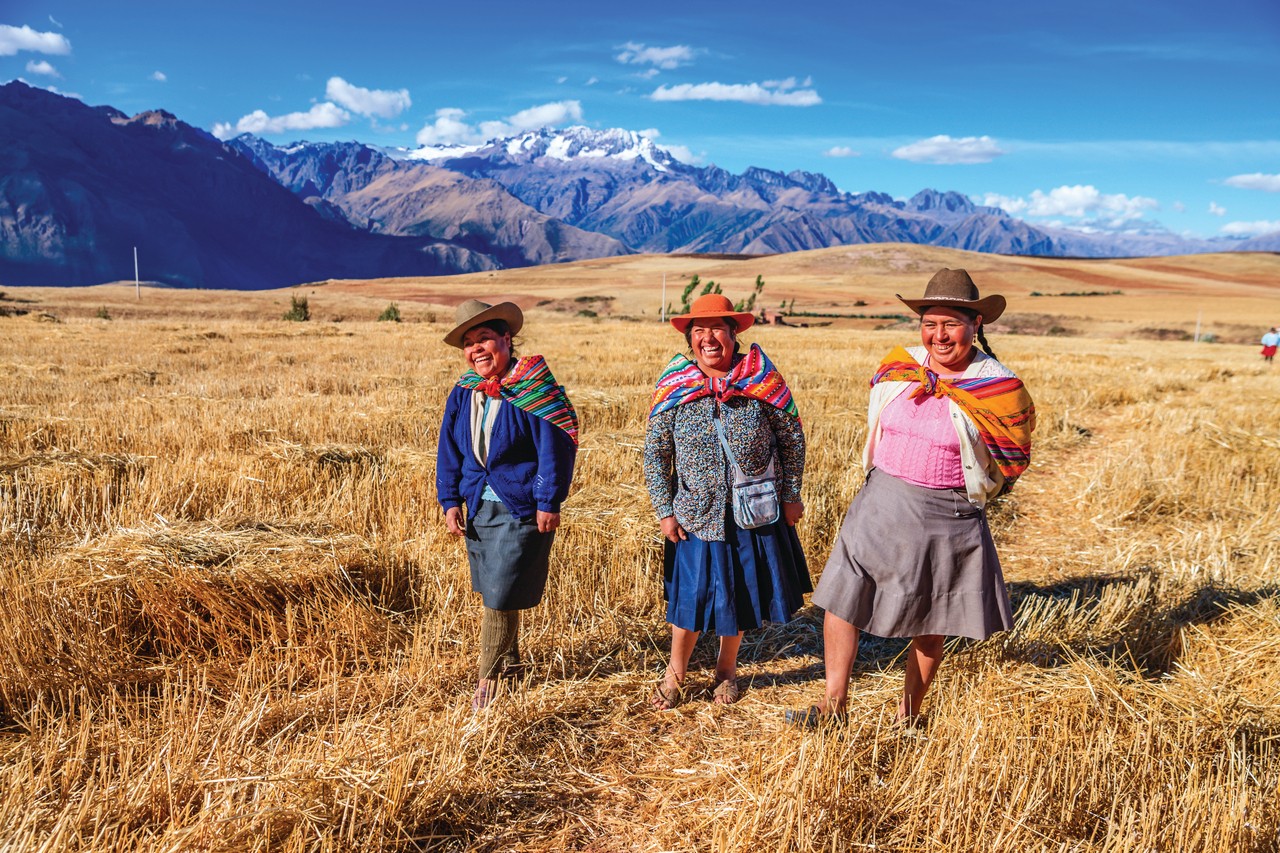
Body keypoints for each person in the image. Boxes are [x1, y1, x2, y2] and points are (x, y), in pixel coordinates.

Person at [789, 269, 1035, 729]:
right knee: (843, 600)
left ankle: (909, 714)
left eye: (950, 324)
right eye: (930, 323)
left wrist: (975, 493)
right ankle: (833, 703)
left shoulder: (997, 388)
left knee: (929, 616)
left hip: (946, 515)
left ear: (975, 325)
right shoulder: (900, 367)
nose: (939, 335)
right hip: (879, 502)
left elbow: (1013, 454)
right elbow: (875, 420)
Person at [644, 293, 811, 708]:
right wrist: (665, 510)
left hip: (751, 511)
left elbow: (792, 440)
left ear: (734, 334)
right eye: (699, 331)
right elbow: (655, 452)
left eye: (717, 328)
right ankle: (675, 676)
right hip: (695, 514)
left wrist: (791, 495)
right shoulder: (675, 387)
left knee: (733, 596)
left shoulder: (761, 382)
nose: (708, 338)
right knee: (690, 600)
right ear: (690, 339)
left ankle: (726, 673)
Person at [436, 299, 579, 711]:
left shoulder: (536, 388)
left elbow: (555, 448)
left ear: (507, 339)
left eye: (485, 339)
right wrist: (450, 500)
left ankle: (489, 680)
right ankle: (511, 665)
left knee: (500, 593)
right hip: (478, 503)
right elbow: (448, 448)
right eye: (469, 342)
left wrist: (548, 500)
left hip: (521, 506)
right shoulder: (464, 392)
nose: (477, 349)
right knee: (495, 590)